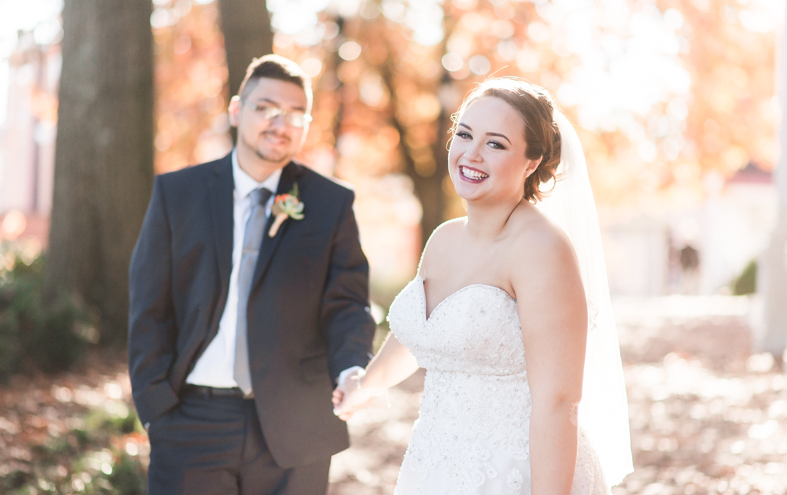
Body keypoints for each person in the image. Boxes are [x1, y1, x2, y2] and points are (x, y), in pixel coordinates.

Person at [332, 77, 633, 494]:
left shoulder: (542, 250)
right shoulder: (443, 239)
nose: (471, 154)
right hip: (433, 467)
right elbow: (421, 336)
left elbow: (559, 403)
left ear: (532, 161)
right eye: (465, 134)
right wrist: (363, 388)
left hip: (515, 472)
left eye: (496, 144)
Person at [128, 54, 376, 494]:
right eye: (266, 108)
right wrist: (155, 407)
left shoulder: (330, 204)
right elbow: (150, 304)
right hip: (189, 421)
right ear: (237, 110)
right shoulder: (178, 194)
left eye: (296, 114)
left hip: (294, 426)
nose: (281, 123)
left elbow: (347, 304)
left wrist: (352, 367)